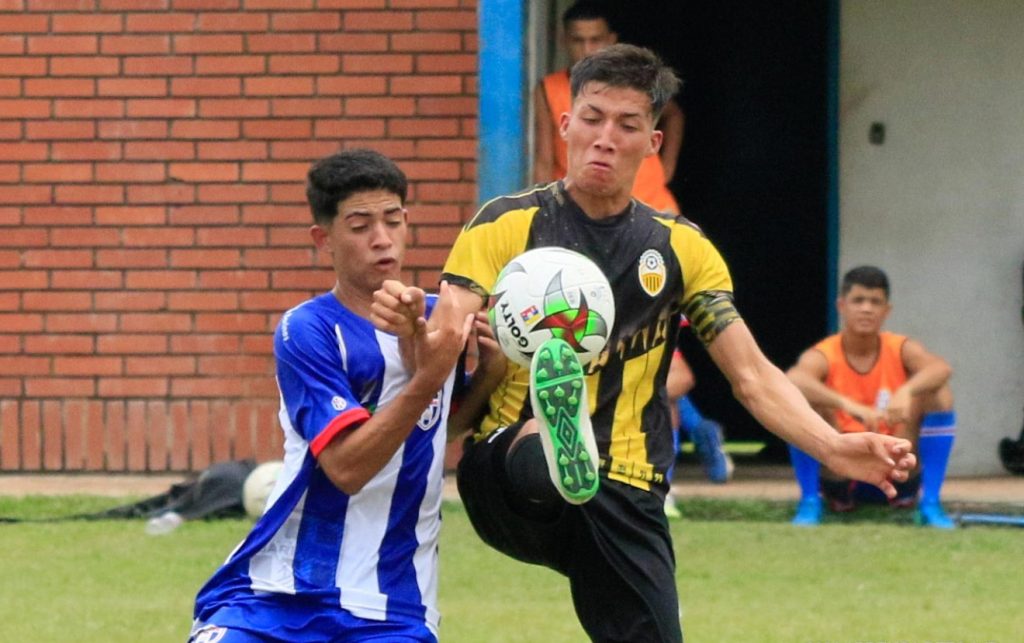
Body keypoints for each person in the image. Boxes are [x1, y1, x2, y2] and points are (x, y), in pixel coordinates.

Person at [373, 44, 916, 642]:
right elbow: (448, 333)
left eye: (627, 125)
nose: (605, 138)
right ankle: (553, 437)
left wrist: (833, 446)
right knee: (535, 450)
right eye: (592, 118)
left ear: (652, 143)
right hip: (507, 476)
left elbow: (752, 375)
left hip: (627, 483)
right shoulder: (504, 224)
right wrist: (413, 334)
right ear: (566, 126)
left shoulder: (683, 249)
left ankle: (565, 447)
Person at [189, 149, 471, 643]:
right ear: (325, 240)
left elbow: (453, 420)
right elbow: (346, 469)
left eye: (392, 220)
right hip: (273, 595)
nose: (381, 239)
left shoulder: (441, 322)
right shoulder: (308, 330)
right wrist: (427, 378)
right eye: (360, 226)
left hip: (392, 608)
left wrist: (489, 367)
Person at [786, 265, 958, 528]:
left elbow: (941, 368)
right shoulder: (826, 353)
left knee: (938, 393)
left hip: (899, 471)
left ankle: (930, 503)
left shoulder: (899, 347)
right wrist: (849, 405)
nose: (866, 308)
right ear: (841, 306)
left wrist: (907, 390)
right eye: (858, 300)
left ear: (886, 310)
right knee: (801, 401)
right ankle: (810, 501)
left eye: (875, 301)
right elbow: (794, 379)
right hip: (842, 474)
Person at [533, 0, 684, 214]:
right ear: (563, 40)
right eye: (578, 40)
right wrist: (545, 209)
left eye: (595, 40)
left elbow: (674, 114)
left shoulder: (634, 83)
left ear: (611, 40)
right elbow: (543, 159)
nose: (587, 50)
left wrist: (666, 169)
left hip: (650, 201)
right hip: (583, 208)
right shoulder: (549, 89)